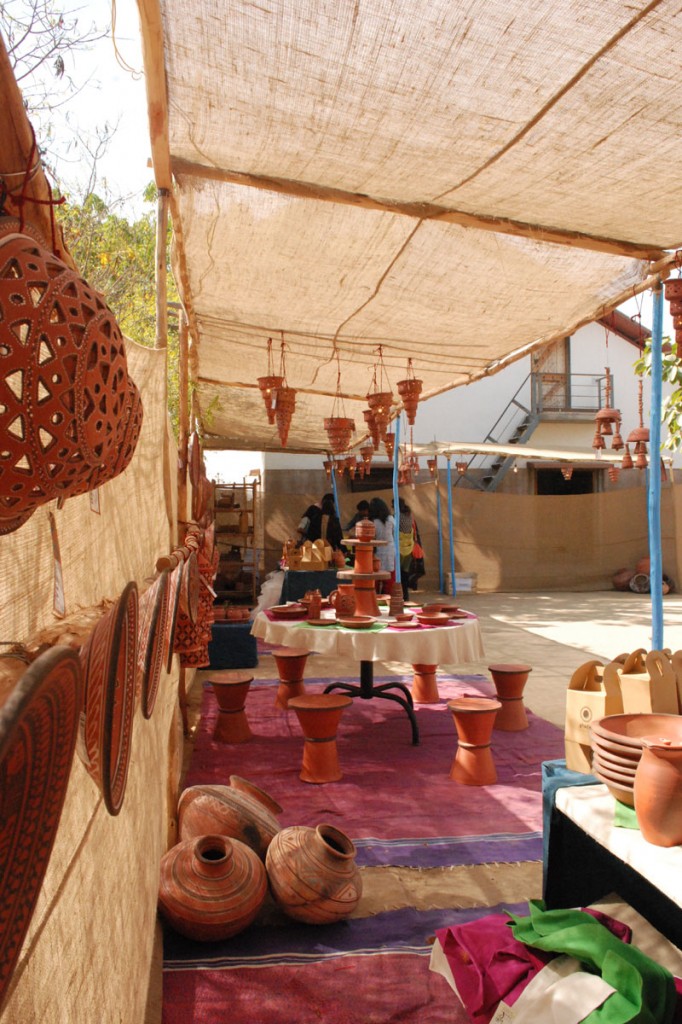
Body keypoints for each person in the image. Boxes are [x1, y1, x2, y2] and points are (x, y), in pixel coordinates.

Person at [368, 496, 395, 593]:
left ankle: (375, 599)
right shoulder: (391, 518)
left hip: (378, 551)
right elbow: (394, 532)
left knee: (376, 577)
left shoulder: (373, 522)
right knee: (389, 577)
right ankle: (387, 598)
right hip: (390, 549)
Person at [394, 497, 415, 600]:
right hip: (409, 548)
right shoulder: (409, 516)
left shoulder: (397, 517)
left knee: (397, 574)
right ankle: (406, 595)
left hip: (399, 548)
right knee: (405, 573)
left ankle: (398, 595)